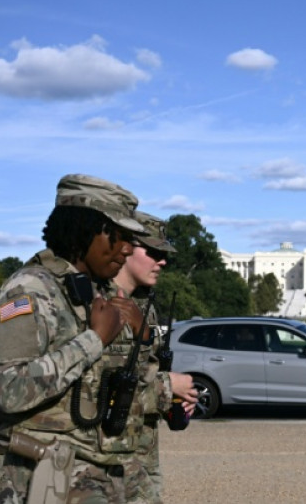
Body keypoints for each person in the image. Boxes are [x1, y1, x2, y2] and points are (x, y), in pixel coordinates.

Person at [0, 174, 168, 503]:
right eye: (118, 236)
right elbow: (10, 389)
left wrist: (145, 345)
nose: (126, 249)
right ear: (85, 230)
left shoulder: (104, 292)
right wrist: (94, 339)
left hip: (108, 476)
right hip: (45, 480)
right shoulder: (29, 290)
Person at [112, 210, 197, 500]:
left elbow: (147, 371)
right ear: (124, 247)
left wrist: (175, 403)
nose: (161, 262)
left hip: (142, 455)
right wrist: (166, 386)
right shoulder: (96, 303)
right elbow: (90, 390)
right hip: (104, 460)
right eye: (152, 251)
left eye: (165, 256)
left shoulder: (147, 306)